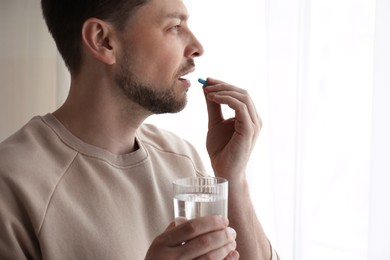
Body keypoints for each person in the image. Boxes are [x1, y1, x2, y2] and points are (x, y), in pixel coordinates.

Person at [0, 0, 279, 259]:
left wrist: (233, 177)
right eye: (174, 27)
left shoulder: (182, 157)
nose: (197, 47)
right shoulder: (11, 182)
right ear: (103, 41)